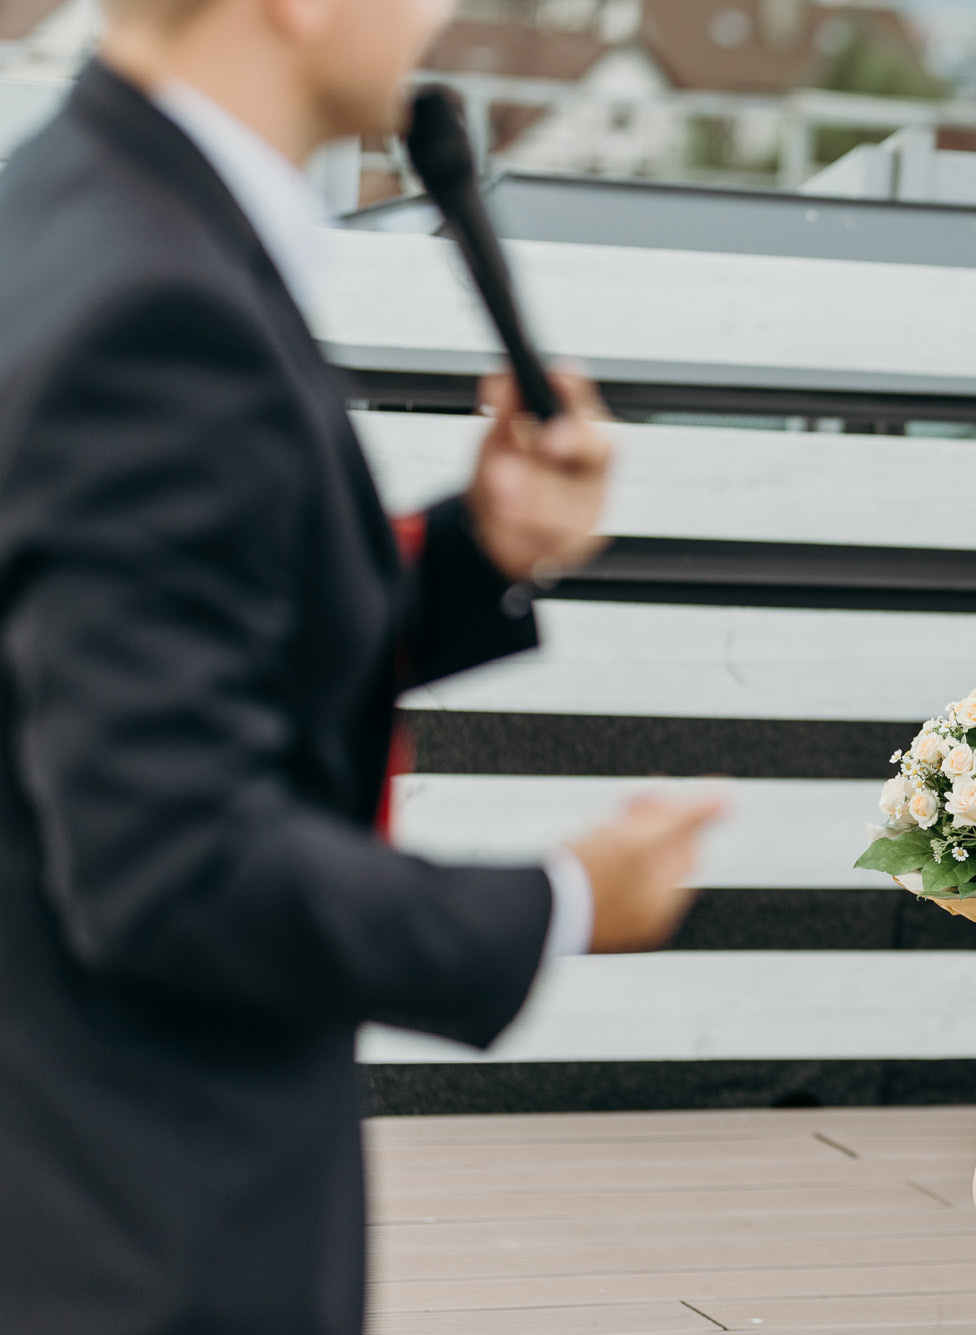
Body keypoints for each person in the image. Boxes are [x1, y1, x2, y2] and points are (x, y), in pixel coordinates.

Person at [0, 2, 722, 1330]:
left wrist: (470, 550)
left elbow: (119, 660)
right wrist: (558, 901)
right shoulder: (158, 301)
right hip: (140, 1220)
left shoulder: (60, 215)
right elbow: (175, 868)